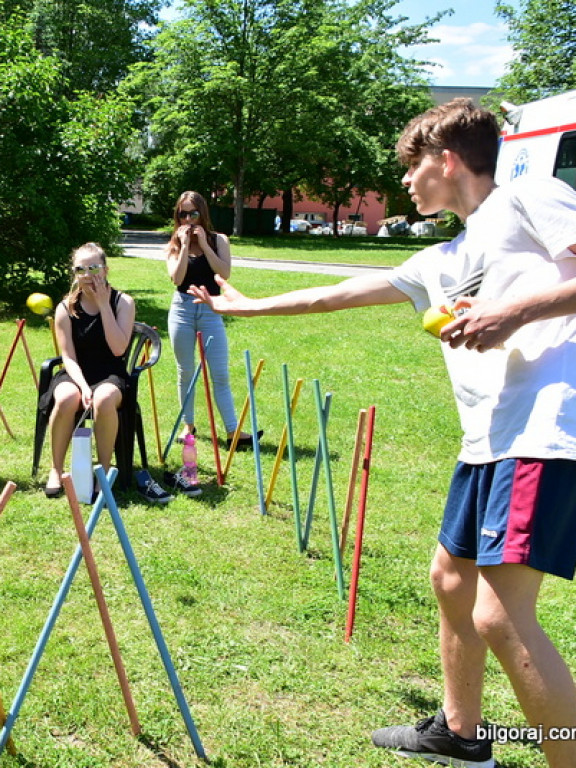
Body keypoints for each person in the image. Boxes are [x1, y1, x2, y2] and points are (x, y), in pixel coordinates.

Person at [190, 98, 576, 768]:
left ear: (446, 159)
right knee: (451, 583)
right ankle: (460, 733)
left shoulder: (529, 198)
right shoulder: (444, 257)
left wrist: (511, 312)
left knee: (499, 615)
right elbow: (333, 293)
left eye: (411, 165)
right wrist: (247, 306)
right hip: (487, 442)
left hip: (543, 429)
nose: (404, 181)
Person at [41, 243, 172, 504]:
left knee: (103, 399)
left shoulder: (123, 303)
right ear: (74, 273)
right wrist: (82, 386)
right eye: (81, 269)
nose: (88, 275)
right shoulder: (65, 308)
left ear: (106, 269)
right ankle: (56, 469)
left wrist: (103, 305)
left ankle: (103, 471)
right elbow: (68, 357)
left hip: (111, 374)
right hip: (76, 373)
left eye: (94, 268)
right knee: (67, 397)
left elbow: (118, 348)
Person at [164, 191, 259, 495]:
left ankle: (233, 431)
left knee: (219, 373)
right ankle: (188, 426)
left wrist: (203, 244)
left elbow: (225, 272)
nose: (188, 220)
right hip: (181, 308)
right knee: (185, 370)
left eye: (193, 214)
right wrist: (181, 247)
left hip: (212, 309)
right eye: (183, 214)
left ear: (203, 215)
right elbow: (176, 278)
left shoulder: (219, 240)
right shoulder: (173, 244)